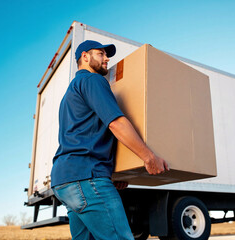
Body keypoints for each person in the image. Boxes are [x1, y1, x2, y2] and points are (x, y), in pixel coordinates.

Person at [51, 40, 169, 240]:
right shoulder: (93, 81)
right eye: (101, 54)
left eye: (107, 55)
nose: (106, 59)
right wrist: (148, 157)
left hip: (64, 182)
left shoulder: (70, 93)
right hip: (86, 178)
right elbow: (116, 124)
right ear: (85, 57)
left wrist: (112, 173)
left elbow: (86, 136)